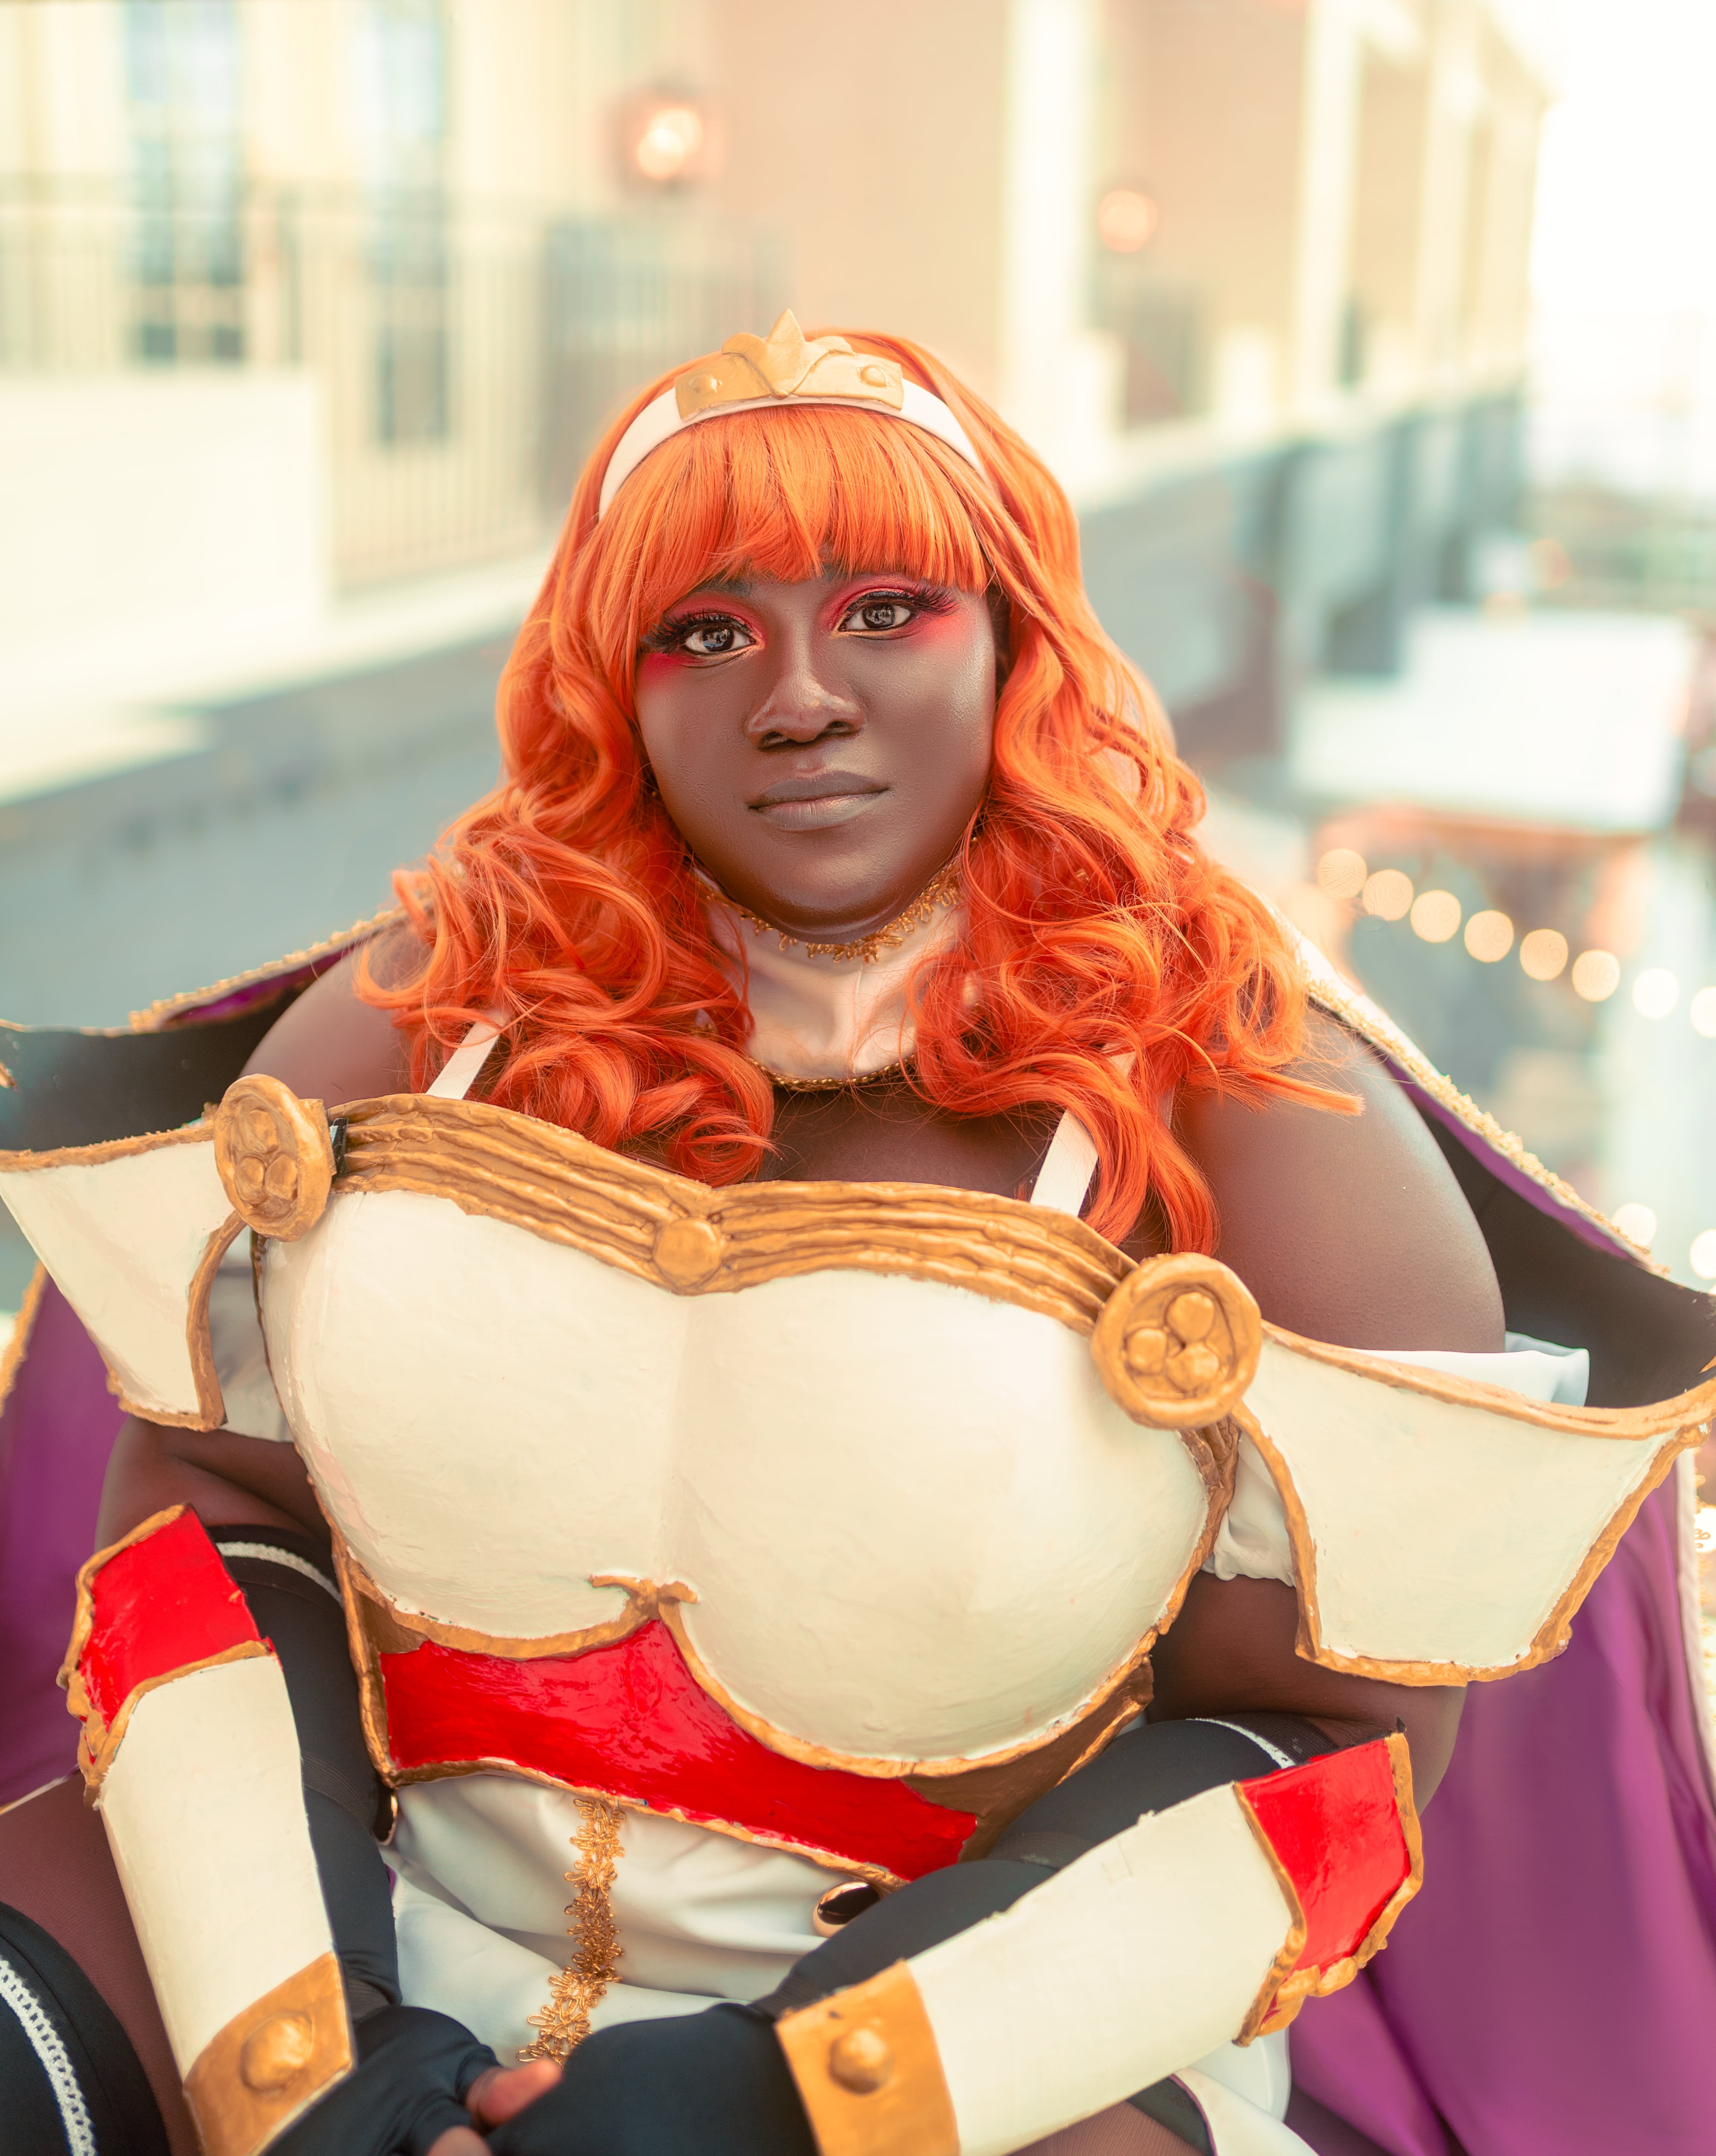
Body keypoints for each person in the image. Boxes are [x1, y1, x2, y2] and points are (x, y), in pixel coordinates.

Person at [2, 314, 1713, 2156]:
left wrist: (791, 2101)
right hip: (347, 1917)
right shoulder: (430, 1006)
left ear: (1017, 640)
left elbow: (1332, 1760)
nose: (797, 695)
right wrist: (298, 2053)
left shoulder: (1250, 1114)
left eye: (885, 609)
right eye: (705, 631)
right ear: (612, 679)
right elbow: (210, 1505)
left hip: (984, 2038)